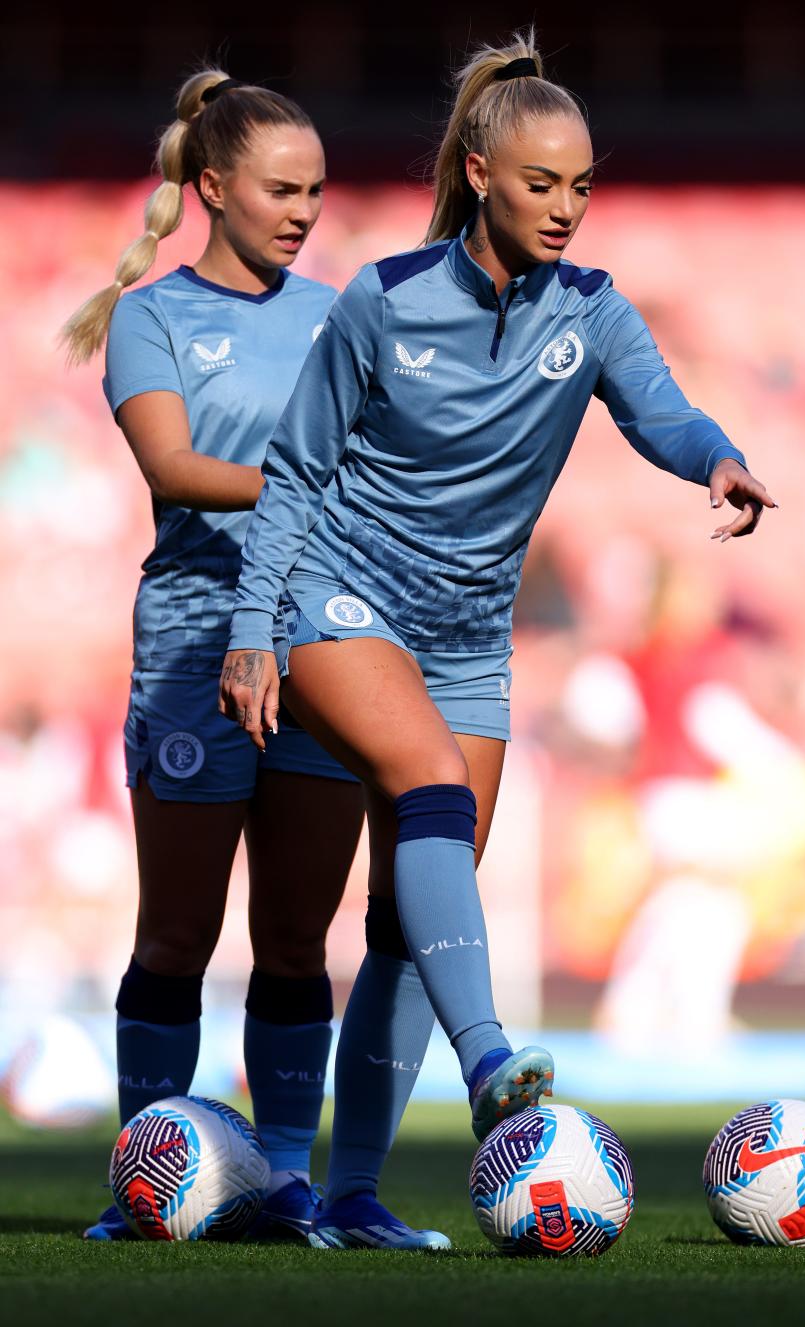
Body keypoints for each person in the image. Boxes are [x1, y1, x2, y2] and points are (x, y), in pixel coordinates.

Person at [219, 30, 776, 1150]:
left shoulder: (594, 311)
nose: (566, 207)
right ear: (479, 174)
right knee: (431, 783)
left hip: (469, 637)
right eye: (541, 183)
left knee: (408, 925)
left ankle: (358, 1194)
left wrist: (714, 454)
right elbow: (295, 474)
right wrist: (249, 628)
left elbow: (660, 410)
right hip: (342, 595)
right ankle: (489, 1061)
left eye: (580, 185)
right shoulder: (381, 301)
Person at [62, 68, 446, 1251]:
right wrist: (323, 492)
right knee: (175, 934)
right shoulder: (152, 315)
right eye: (282, 189)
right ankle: (151, 1176)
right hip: (192, 640)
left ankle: (287, 1180)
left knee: (295, 937)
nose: (303, 211)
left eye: (318, 192)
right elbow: (174, 469)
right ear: (212, 187)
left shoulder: (345, 312)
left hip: (326, 642)